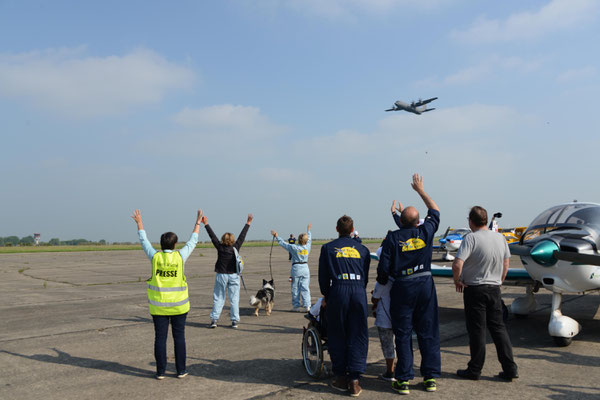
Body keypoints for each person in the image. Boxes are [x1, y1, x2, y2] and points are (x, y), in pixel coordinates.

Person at [377, 174, 441, 394]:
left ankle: (403, 379)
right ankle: (430, 377)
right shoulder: (426, 231)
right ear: (418, 222)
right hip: (424, 284)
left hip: (403, 287)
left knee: (403, 333)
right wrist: (420, 190)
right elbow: (435, 211)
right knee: (428, 331)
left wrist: (382, 282)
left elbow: (383, 269)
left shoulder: (393, 238)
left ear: (401, 222)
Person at [131, 208, 203, 380]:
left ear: (162, 245)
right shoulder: (180, 257)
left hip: (159, 307)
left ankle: (161, 371)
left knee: (160, 339)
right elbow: (193, 242)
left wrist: (140, 223)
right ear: (175, 245)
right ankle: (181, 370)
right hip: (179, 306)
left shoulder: (155, 257)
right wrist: (197, 223)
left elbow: (144, 242)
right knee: (179, 338)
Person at [452, 206, 519, 381]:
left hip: (475, 289)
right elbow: (506, 264)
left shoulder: (471, 238)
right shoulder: (500, 238)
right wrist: (500, 281)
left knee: (477, 330)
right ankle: (510, 368)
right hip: (494, 289)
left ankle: (475, 369)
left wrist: (457, 280)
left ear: (471, 221)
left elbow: (458, 263)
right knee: (498, 329)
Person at [318, 215, 371, 397]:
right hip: (357, 291)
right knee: (358, 334)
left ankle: (341, 377)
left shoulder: (327, 248)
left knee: (337, 334)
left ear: (337, 229)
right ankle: (355, 380)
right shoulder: (363, 250)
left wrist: (327, 295)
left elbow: (323, 278)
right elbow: (365, 276)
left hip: (338, 292)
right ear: (352, 229)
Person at [202, 213, 253, 329]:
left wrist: (206, 224)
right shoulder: (235, 247)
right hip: (234, 276)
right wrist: (248, 223)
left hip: (221, 276)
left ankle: (214, 320)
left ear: (223, 240)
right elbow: (242, 236)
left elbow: (212, 236)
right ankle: (234, 321)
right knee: (234, 299)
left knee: (218, 298)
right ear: (232, 240)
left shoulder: (220, 247)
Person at [271, 223, 313, 312]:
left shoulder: (294, 247)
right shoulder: (307, 247)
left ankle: (296, 306)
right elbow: (309, 240)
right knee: (305, 287)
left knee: (295, 287)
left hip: (296, 268)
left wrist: (277, 236)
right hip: (305, 267)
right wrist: (308, 230)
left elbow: (284, 244)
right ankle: (307, 306)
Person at [371, 279, 395, 382]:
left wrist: (375, 293)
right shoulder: (401, 278)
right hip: (402, 316)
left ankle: (390, 371)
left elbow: (374, 299)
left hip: (385, 318)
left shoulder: (383, 280)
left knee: (387, 345)